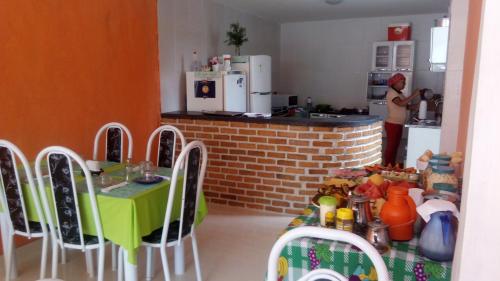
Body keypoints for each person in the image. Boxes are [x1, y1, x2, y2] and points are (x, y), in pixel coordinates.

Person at [384, 73, 421, 166]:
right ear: (395, 83)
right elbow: (400, 103)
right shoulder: (392, 92)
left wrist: (416, 106)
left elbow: (405, 106)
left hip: (398, 124)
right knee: (391, 147)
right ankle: (387, 166)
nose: (404, 84)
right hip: (392, 124)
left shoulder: (399, 93)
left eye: (404, 82)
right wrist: (413, 95)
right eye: (402, 82)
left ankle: (391, 165)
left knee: (395, 146)